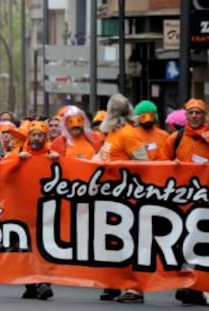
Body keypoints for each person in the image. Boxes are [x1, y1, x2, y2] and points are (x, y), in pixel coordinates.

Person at [94, 94, 148, 303]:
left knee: (128, 242)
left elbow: (145, 163)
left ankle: (134, 289)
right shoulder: (113, 133)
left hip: (126, 199)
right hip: (111, 198)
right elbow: (102, 157)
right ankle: (115, 283)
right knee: (113, 243)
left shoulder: (128, 135)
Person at [158, 98, 209, 305]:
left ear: (204, 116)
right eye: (191, 113)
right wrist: (171, 164)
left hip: (205, 201)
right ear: (185, 116)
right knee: (185, 243)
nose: (195, 116)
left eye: (198, 113)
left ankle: (198, 286)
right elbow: (159, 161)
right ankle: (192, 286)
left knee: (203, 243)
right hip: (182, 201)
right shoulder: (175, 138)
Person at [6, 120, 58, 300]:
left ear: (45, 137)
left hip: (46, 209)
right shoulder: (18, 153)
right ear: (29, 137)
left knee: (44, 247)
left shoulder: (53, 154)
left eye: (40, 135)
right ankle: (29, 284)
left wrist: (58, 161)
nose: (36, 138)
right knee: (24, 247)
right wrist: (16, 161)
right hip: (22, 209)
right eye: (34, 135)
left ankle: (44, 282)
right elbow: (2, 172)